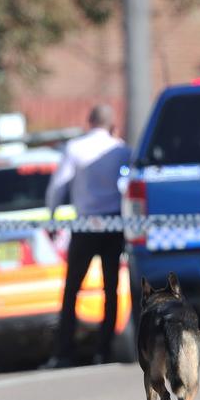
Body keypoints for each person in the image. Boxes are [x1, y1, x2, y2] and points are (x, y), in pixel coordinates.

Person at [42, 104, 130, 369]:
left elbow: (58, 186)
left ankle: (64, 352)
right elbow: (128, 184)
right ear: (111, 123)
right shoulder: (121, 149)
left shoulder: (75, 148)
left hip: (84, 226)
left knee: (72, 290)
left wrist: (52, 216)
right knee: (110, 289)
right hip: (113, 224)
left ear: (89, 121)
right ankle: (104, 351)